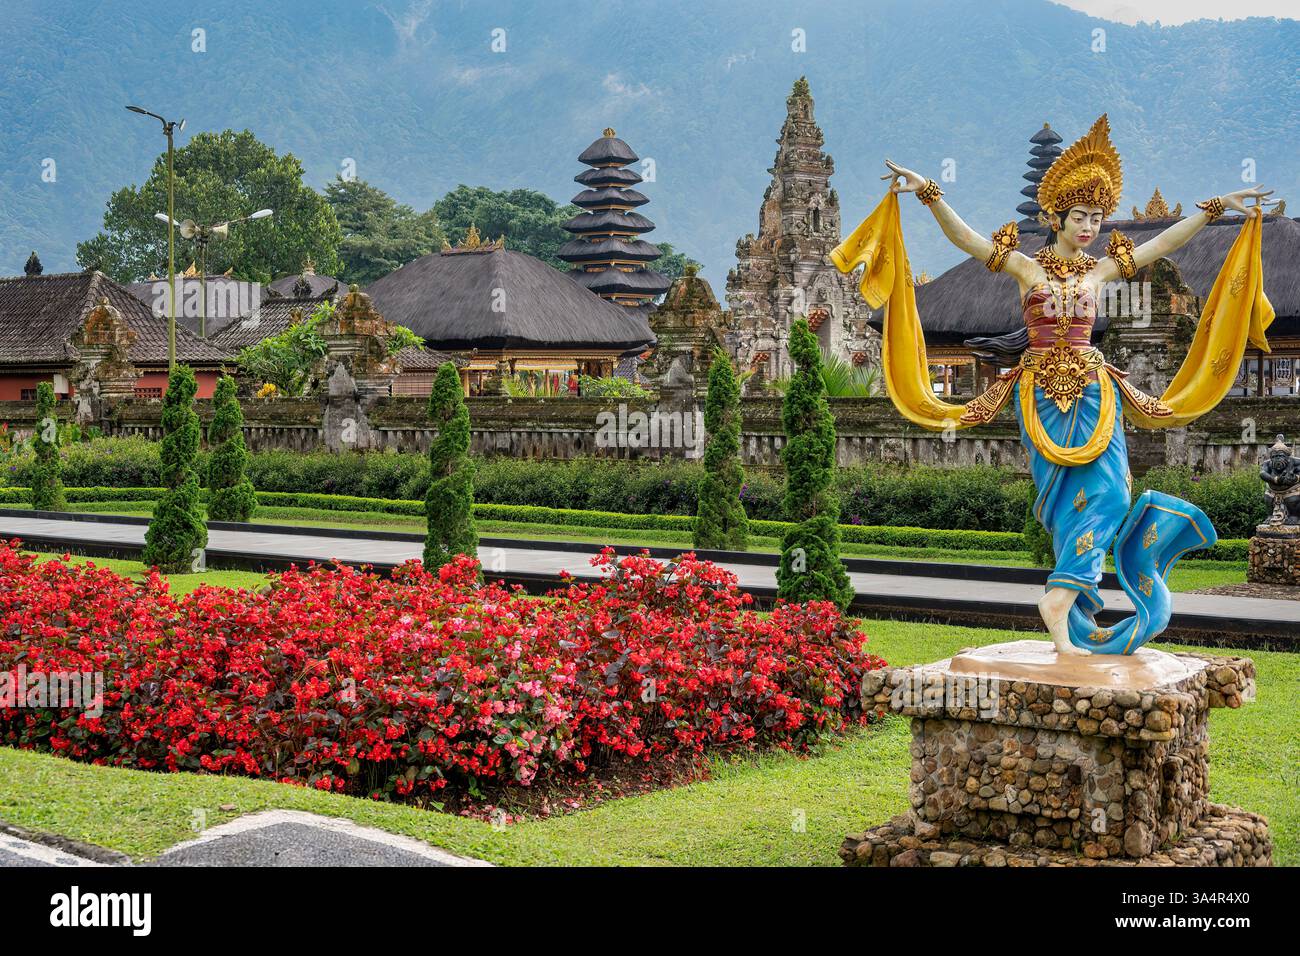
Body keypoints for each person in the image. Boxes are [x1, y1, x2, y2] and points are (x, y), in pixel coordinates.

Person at [833, 115, 1274, 655]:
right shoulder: (1025, 269)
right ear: (1056, 217)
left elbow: (1163, 242)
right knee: (1067, 507)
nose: (1090, 227)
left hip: (1095, 389)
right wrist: (927, 190)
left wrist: (1213, 207)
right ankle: (1065, 615)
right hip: (1040, 393)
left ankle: (1063, 601)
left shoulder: (1100, 271)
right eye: (1080, 217)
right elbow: (965, 237)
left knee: (1113, 492)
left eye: (1096, 217)